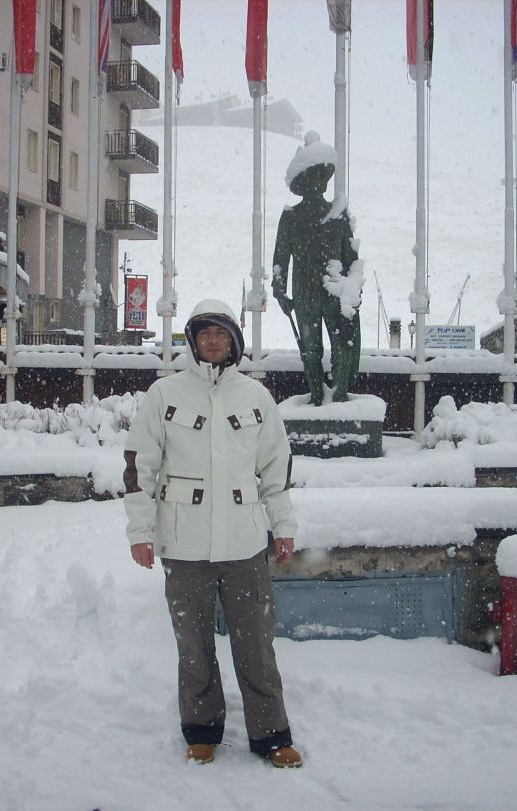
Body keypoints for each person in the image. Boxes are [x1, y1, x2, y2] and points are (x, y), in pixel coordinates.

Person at [122, 298, 303, 768]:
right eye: (204, 334)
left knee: (256, 646)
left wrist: (282, 526)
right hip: (184, 545)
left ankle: (271, 734)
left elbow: (275, 471)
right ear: (192, 341)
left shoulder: (256, 398)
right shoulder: (164, 395)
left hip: (244, 545)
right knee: (194, 646)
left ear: (233, 342)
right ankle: (201, 730)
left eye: (221, 334)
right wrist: (140, 532)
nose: (213, 341)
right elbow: (139, 468)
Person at [272, 131, 361, 405]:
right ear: (304, 182)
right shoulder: (291, 216)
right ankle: (317, 396)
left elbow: (352, 258)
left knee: (341, 346)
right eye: (313, 176)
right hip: (304, 292)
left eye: (322, 176)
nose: (319, 183)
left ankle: (340, 394)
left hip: (334, 289)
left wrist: (354, 288)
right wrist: (279, 291)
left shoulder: (338, 214)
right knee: (310, 349)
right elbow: (280, 258)